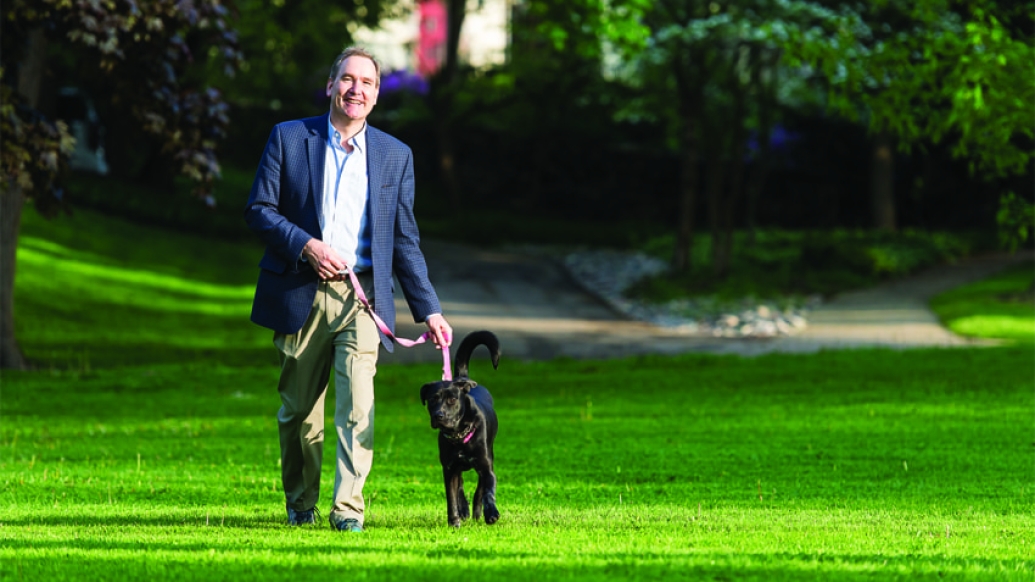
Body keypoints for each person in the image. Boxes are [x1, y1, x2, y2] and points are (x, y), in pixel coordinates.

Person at [244, 46, 453, 533]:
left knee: (359, 405)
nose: (356, 89)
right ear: (331, 85)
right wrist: (307, 246)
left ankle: (348, 511)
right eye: (348, 79)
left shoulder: (395, 156)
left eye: (368, 83)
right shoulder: (289, 138)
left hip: (363, 301)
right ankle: (301, 503)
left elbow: (404, 240)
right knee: (299, 413)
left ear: (377, 96)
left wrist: (430, 310)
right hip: (300, 291)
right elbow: (259, 210)